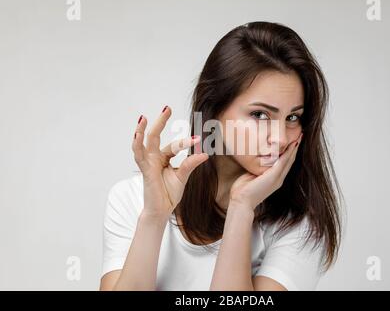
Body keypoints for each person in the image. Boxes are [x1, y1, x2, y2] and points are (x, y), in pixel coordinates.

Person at [99, 21, 343, 291]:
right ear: (214, 113)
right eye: (260, 115)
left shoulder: (297, 227)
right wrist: (154, 218)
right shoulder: (131, 199)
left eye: (293, 117)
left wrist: (241, 207)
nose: (282, 138)